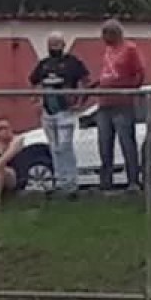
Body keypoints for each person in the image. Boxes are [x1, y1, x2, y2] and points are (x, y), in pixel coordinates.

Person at [28, 32, 89, 197]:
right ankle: (60, 181)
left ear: (63, 44)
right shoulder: (44, 64)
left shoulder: (72, 63)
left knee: (65, 147)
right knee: (54, 148)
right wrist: (37, 101)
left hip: (65, 111)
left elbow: (86, 80)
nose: (54, 46)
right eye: (51, 43)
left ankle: (71, 184)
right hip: (48, 112)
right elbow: (34, 82)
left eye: (57, 43)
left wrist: (80, 101)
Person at [92, 19, 145, 190]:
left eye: (105, 34)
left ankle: (133, 181)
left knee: (126, 142)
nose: (103, 38)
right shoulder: (107, 51)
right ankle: (106, 182)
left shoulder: (130, 49)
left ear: (114, 34)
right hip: (104, 103)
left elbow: (139, 73)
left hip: (122, 103)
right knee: (104, 143)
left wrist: (128, 89)